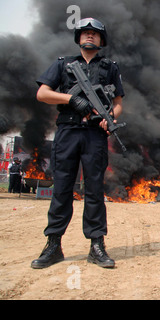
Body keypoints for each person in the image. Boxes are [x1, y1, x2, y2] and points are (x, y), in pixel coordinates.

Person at [31, 18, 125, 269]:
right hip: (68, 131)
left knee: (94, 190)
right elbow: (42, 93)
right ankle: (53, 245)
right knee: (61, 188)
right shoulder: (64, 64)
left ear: (101, 40)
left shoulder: (110, 67)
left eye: (95, 33)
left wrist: (110, 118)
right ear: (78, 38)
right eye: (85, 33)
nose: (90, 36)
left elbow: (117, 102)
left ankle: (96, 245)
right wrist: (71, 100)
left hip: (95, 134)